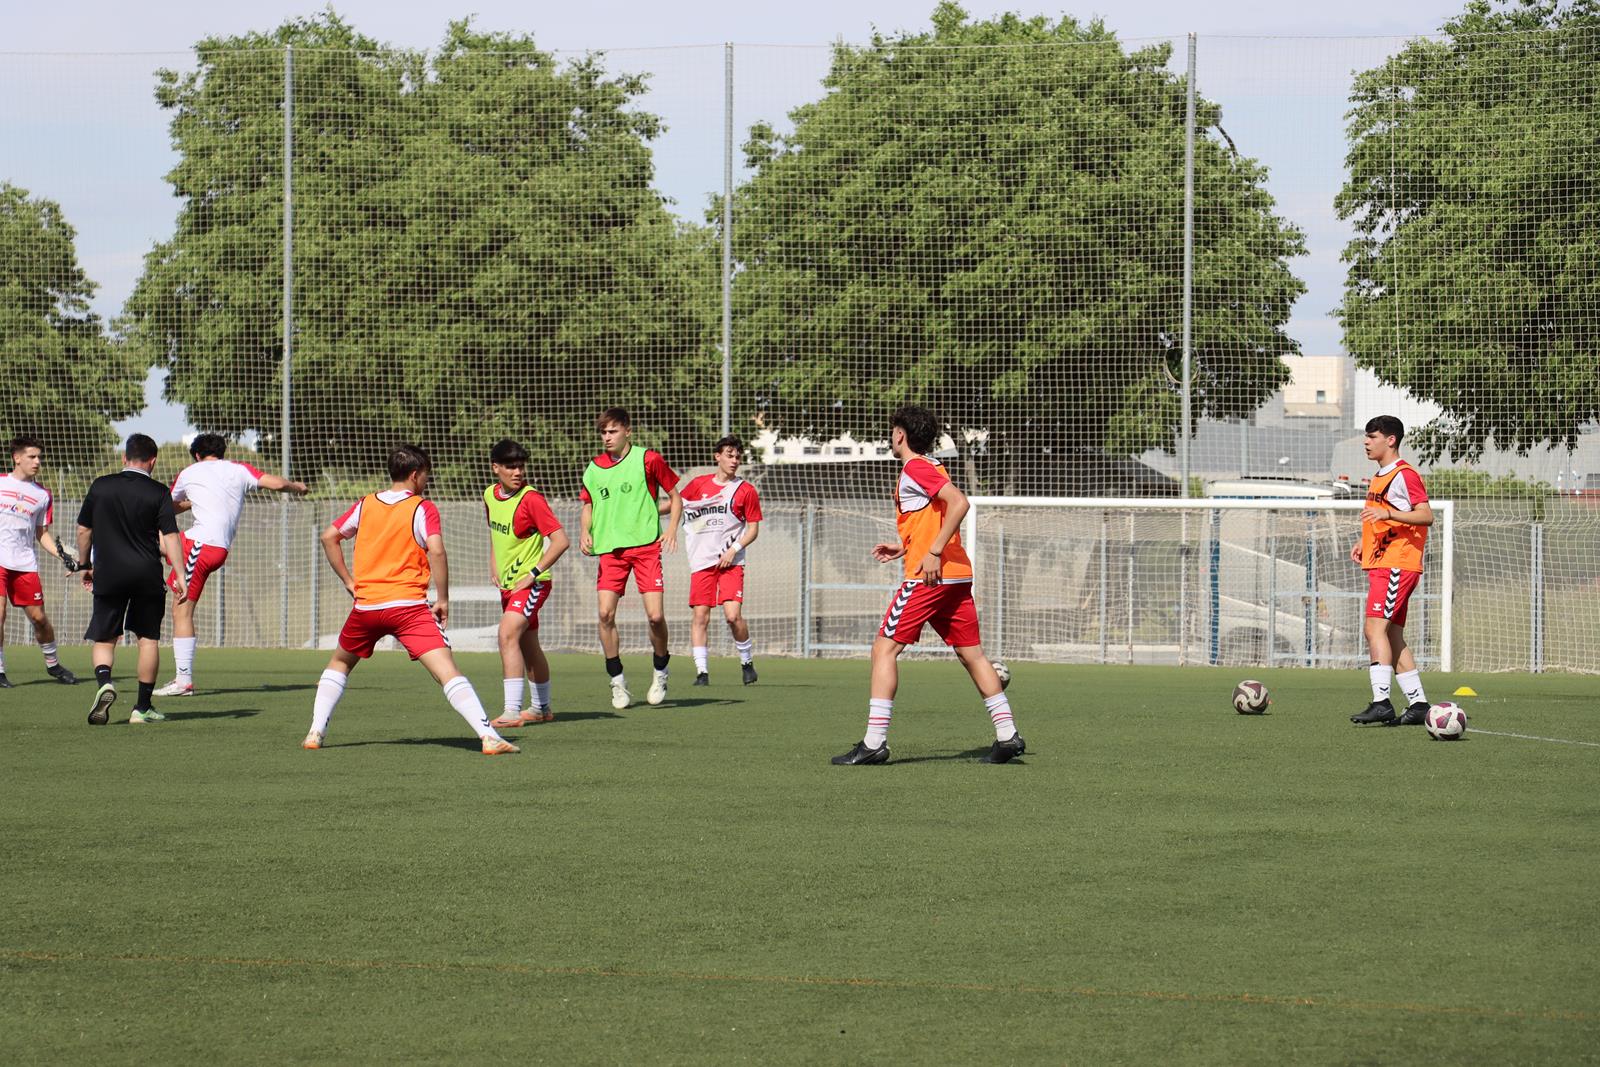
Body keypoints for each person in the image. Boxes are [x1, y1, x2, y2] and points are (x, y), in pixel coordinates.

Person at [832, 406, 1025, 765]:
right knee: (972, 655)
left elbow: (959, 503)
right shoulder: (933, 466)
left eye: (893, 431)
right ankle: (1007, 735)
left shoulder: (915, 467)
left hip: (929, 577)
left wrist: (932, 552)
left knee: (883, 650)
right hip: (956, 575)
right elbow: (934, 516)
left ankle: (874, 743)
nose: (891, 437)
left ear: (900, 434)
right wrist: (905, 546)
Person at [302, 444, 518, 755]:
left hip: (367, 607)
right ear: (415, 475)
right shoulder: (422, 507)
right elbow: (437, 550)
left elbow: (328, 537)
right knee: (446, 670)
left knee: (339, 663)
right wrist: (443, 598)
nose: (427, 480)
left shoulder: (365, 504)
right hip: (408, 608)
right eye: (426, 474)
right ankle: (488, 736)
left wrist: (350, 582)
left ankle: (315, 732)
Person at [155, 433, 308, 696]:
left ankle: (183, 681)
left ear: (196, 455)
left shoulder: (189, 472)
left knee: (181, 611)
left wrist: (187, 502)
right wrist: (296, 487)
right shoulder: (239, 469)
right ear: (222, 452)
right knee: (154, 545)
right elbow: (276, 483)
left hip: (200, 546)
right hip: (216, 547)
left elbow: (164, 507)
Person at [76, 434, 188, 725]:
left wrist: (84, 564)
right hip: (146, 574)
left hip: (108, 573)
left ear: (124, 458)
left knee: (105, 637)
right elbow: (171, 537)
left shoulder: (101, 486)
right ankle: (142, 708)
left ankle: (105, 682)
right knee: (147, 639)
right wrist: (181, 574)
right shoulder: (159, 492)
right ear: (153, 461)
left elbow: (84, 530)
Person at [579, 407, 682, 710]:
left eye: (613, 431)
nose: (607, 437)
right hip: (611, 552)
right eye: (603, 432)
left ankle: (661, 671)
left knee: (655, 617)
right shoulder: (593, 468)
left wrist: (671, 529)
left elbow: (676, 496)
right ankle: (617, 681)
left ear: (628, 431)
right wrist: (585, 531)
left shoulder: (648, 459)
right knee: (605, 615)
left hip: (646, 548)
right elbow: (588, 505)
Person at [1349, 415, 1435, 727]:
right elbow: (1383, 519)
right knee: (1391, 633)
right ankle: (1419, 705)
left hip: (1397, 564)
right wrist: (1365, 540)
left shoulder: (1404, 474)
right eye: (1366, 436)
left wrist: (1387, 513)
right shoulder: (1379, 476)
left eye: (1372, 436)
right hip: (1383, 561)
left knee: (1374, 629)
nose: (1366, 442)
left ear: (1391, 440)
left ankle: (1382, 702)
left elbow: (1425, 515)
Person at [481, 438, 570, 729]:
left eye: (521, 466)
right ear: (495, 468)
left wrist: (532, 573)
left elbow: (561, 541)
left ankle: (511, 711)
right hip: (509, 586)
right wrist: (494, 561)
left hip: (534, 584)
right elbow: (494, 531)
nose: (518, 472)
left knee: (507, 634)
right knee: (528, 644)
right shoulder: (489, 495)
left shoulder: (531, 499)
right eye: (510, 467)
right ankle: (541, 709)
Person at [680, 435, 762, 686]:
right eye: (729, 455)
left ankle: (747, 663)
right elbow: (676, 505)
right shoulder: (698, 485)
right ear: (717, 457)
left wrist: (733, 550)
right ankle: (702, 673)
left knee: (732, 616)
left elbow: (753, 529)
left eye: (737, 456)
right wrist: (647, 510)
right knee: (700, 617)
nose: (734, 460)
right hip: (702, 562)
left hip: (731, 563)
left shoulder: (745, 491)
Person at [0, 436, 80, 688]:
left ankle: (53, 664)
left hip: (24, 564)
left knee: (39, 619)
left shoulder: (43, 495)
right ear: (17, 458)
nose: (37, 462)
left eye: (39, 457)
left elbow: (42, 533)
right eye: (32, 457)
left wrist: (63, 556)